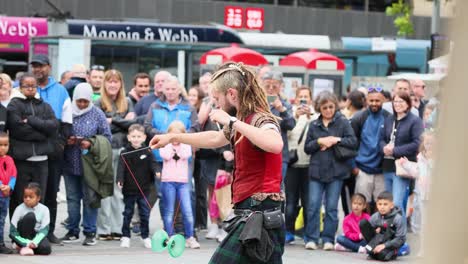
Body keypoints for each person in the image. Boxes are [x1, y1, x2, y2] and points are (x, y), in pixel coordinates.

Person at [150, 62, 285, 263]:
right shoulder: (243, 119)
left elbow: (275, 144)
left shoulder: (260, 119)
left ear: (231, 94)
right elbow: (215, 138)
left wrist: (231, 122)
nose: (216, 104)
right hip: (249, 212)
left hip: (262, 212)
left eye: (217, 98)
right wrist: (173, 138)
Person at [303, 90, 357, 251]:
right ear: (319, 108)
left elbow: (353, 141)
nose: (328, 110)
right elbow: (307, 148)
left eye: (331, 107)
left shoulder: (343, 122)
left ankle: (328, 238)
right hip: (316, 171)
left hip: (336, 171)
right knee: (313, 206)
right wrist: (320, 141)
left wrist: (335, 140)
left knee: (332, 207)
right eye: (325, 107)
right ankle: (311, 238)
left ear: (335, 106)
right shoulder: (313, 125)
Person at [60, 83, 112, 246]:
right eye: (79, 101)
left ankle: (90, 232)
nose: (82, 104)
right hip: (70, 163)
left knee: (90, 198)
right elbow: (59, 132)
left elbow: (107, 137)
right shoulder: (67, 112)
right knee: (72, 198)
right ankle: (72, 230)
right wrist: (66, 140)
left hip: (91, 165)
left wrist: (90, 142)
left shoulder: (97, 114)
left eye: (85, 101)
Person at [31, 53, 73, 244]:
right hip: (32, 146)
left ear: (49, 67)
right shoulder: (27, 87)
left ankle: (49, 231)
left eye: (41, 66)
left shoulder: (61, 90)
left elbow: (67, 121)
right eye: (35, 66)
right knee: (31, 189)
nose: (38, 69)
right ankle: (30, 229)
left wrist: (61, 144)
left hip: (53, 147)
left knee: (51, 191)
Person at [7, 73, 58, 220]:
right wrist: (43, 132)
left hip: (42, 161)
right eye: (26, 86)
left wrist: (30, 120)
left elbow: (54, 126)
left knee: (38, 199)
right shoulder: (14, 104)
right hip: (21, 160)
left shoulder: (45, 106)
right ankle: (16, 234)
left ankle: (36, 234)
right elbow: (17, 129)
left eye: (33, 86)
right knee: (19, 198)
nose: (30, 88)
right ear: (20, 87)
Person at [95, 69, 136, 241]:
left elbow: (132, 124)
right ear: (104, 84)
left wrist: (113, 120)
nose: (113, 84)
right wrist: (122, 122)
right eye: (109, 81)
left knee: (119, 189)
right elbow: (101, 127)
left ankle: (118, 228)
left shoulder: (127, 101)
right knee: (105, 188)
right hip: (104, 150)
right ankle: (103, 229)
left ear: (121, 84)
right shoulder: (98, 103)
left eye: (116, 81)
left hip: (122, 151)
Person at [380, 91, 423, 217]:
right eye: (395, 101)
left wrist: (395, 150)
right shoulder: (389, 119)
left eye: (401, 101)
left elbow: (417, 143)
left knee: (397, 203)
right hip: (387, 165)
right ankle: (390, 234)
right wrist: (383, 148)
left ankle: (400, 235)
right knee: (388, 203)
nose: (397, 104)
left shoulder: (415, 121)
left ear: (408, 104)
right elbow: (381, 139)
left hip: (402, 166)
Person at [159, 121, 200, 249]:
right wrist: (170, 144)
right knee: (169, 211)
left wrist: (181, 142)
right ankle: (170, 236)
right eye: (173, 135)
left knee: (187, 211)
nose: (175, 138)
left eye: (178, 135)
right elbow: (165, 155)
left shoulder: (186, 146)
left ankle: (190, 237)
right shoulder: (164, 145)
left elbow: (185, 155)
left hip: (183, 182)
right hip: (168, 181)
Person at [117, 124, 158, 248]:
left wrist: (157, 171)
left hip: (144, 188)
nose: (136, 139)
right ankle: (125, 236)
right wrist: (120, 179)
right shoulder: (124, 152)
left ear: (144, 137)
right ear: (128, 137)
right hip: (129, 188)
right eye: (133, 136)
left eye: (138, 136)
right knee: (128, 212)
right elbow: (121, 167)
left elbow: (154, 164)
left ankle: (145, 236)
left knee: (144, 213)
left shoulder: (148, 151)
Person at [285, 86, 315, 244]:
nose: (303, 99)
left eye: (306, 96)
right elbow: (287, 134)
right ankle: (288, 230)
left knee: (308, 202)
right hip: (292, 164)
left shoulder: (315, 115)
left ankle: (308, 233)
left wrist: (310, 116)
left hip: (310, 165)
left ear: (311, 99)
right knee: (290, 201)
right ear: (296, 99)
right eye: (301, 97)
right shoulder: (290, 114)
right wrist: (296, 117)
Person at [351, 88, 389, 212]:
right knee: (362, 204)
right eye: (371, 100)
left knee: (382, 205)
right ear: (366, 100)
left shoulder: (389, 117)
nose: (374, 103)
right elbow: (351, 143)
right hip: (363, 169)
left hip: (382, 170)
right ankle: (362, 230)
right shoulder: (359, 117)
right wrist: (353, 167)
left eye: (377, 100)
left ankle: (380, 230)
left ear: (383, 100)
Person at [262, 70, 295, 180]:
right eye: (267, 86)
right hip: (260, 152)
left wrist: (282, 110)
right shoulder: (256, 103)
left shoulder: (286, 105)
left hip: (280, 153)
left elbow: (291, 125)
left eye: (274, 86)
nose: (271, 88)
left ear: (280, 86)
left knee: (278, 188)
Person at [359, 191, 406, 261]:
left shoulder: (398, 218)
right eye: (380, 204)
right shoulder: (375, 216)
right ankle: (372, 250)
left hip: (390, 244)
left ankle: (391, 253)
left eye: (385, 204)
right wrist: (365, 234)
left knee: (383, 256)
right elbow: (370, 231)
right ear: (377, 205)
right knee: (363, 223)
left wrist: (384, 245)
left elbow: (401, 239)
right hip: (377, 240)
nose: (382, 207)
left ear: (391, 205)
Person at [9, 183, 51, 256]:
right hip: (21, 236)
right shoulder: (19, 209)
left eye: (31, 197)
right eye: (25, 197)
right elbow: (12, 231)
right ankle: (23, 245)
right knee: (30, 216)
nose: (27, 199)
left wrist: (34, 242)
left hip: (35, 235)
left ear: (38, 198)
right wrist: (25, 242)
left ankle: (26, 247)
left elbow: (44, 229)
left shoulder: (45, 209)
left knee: (46, 249)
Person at [0, 132, 16, 254]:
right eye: (0, 145)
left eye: (6, 145)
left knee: (2, 219)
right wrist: (1, 186)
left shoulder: (10, 159)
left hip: (5, 196)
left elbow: (13, 175)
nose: (3, 148)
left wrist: (9, 187)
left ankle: (1, 243)